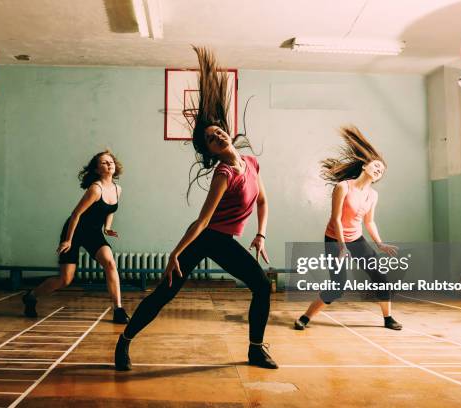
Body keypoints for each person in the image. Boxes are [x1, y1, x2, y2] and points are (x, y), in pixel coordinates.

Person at [114, 47, 277, 371]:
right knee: (165, 294)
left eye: (218, 132)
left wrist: (260, 234)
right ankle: (125, 341)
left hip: (224, 239)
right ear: (210, 151)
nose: (217, 136)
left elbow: (261, 199)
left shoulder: (251, 162)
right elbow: (202, 221)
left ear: (227, 133)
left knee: (261, 285)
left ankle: (255, 350)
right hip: (209, 237)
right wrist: (176, 253)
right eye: (211, 139)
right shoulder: (224, 173)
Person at [294, 126, 402, 331]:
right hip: (335, 239)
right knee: (338, 287)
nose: (378, 170)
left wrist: (379, 243)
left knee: (381, 277)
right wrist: (342, 247)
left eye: (381, 171)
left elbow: (369, 221)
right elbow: (336, 219)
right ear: (365, 166)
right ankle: (305, 317)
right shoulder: (343, 186)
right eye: (376, 165)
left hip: (357, 239)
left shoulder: (373, 196)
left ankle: (388, 319)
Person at [22, 150, 129, 324]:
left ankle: (118, 309)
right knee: (65, 280)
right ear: (96, 169)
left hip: (93, 233)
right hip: (74, 230)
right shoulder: (95, 189)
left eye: (110, 161)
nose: (109, 164)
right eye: (103, 162)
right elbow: (75, 215)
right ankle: (31, 296)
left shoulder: (118, 189)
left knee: (110, 263)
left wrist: (107, 228)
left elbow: (110, 210)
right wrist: (68, 240)